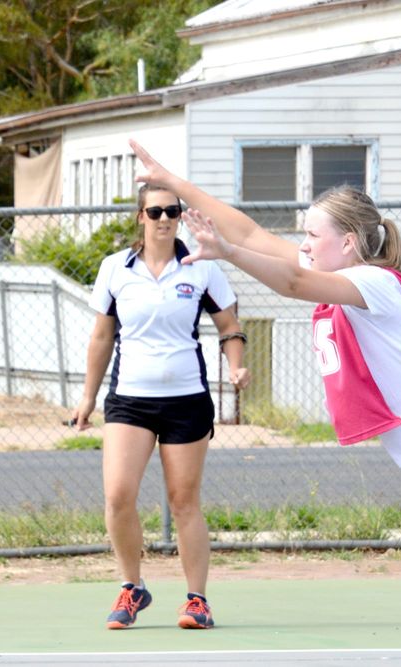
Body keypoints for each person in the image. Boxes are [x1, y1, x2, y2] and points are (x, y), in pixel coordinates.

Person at [129, 139, 401, 666]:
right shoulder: (339, 270)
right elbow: (250, 232)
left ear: (347, 242)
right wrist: (176, 183)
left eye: (311, 235)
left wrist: (229, 256)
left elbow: (294, 280)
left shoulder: (375, 282)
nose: (302, 244)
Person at [70, 183, 251, 630]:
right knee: (117, 496)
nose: (164, 218)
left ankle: (197, 601)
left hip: (186, 400)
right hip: (130, 399)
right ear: (141, 217)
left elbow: (230, 325)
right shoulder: (116, 269)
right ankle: (132, 587)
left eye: (172, 210)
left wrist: (236, 366)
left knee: (184, 500)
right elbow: (101, 337)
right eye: (156, 212)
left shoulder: (201, 267)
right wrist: (88, 397)